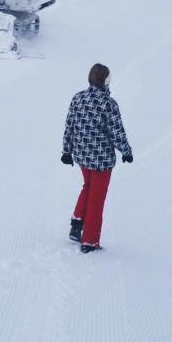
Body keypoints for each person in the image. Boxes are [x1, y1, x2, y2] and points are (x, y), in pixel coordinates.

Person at [61, 63, 133, 253]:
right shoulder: (108, 104)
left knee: (88, 187)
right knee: (97, 198)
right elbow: (116, 132)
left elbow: (70, 126)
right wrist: (126, 151)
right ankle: (90, 240)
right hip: (101, 160)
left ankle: (77, 223)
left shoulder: (78, 98)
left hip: (82, 156)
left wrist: (67, 151)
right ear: (106, 80)